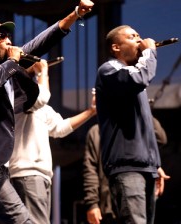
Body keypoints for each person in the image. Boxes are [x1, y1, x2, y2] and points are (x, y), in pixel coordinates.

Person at [0, 1, 94, 223]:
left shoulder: (7, 65)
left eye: (8, 36)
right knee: (23, 220)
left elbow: (43, 41)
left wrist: (75, 14)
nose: (9, 41)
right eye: (1, 37)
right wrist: (12, 62)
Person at [94, 25, 170, 224]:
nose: (139, 39)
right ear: (116, 47)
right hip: (127, 168)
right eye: (132, 36)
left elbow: (143, 128)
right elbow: (140, 78)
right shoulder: (109, 70)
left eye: (139, 35)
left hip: (146, 167)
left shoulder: (134, 80)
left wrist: (155, 164)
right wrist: (149, 52)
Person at [9, 59, 96, 224]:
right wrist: (43, 72)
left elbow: (60, 128)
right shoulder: (20, 97)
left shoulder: (39, 106)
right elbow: (43, 97)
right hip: (27, 173)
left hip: (39, 175)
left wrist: (91, 112)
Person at [82, 116, 168, 224]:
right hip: (110, 203)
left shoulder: (137, 127)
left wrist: (143, 108)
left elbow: (161, 138)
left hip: (139, 197)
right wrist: (92, 203)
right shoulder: (96, 132)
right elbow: (90, 170)